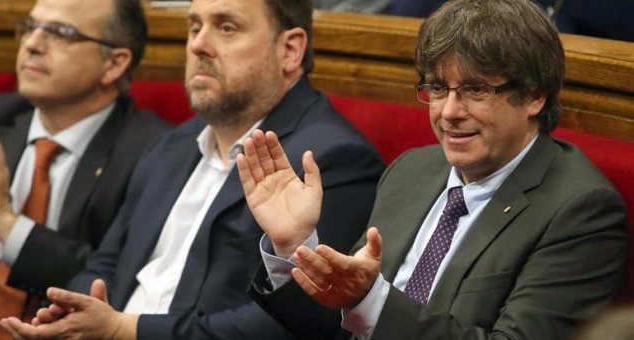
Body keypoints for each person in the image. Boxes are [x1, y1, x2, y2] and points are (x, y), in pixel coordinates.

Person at [238, 0, 629, 339]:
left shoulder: (580, 210)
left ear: (533, 95)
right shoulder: (412, 169)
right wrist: (295, 246)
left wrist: (372, 300)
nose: (449, 112)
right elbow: (341, 329)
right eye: (438, 89)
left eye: (476, 89)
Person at [0, 0, 385, 339]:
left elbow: (286, 326)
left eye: (226, 27)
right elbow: (108, 261)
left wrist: (124, 330)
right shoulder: (173, 144)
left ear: (290, 50)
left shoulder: (332, 160)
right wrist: (74, 312)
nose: (198, 44)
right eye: (194, 26)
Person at [0, 0, 171, 338]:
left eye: (59, 33)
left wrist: (7, 224)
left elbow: (112, 279)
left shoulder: (154, 154)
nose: (32, 44)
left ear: (114, 63)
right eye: (31, 27)